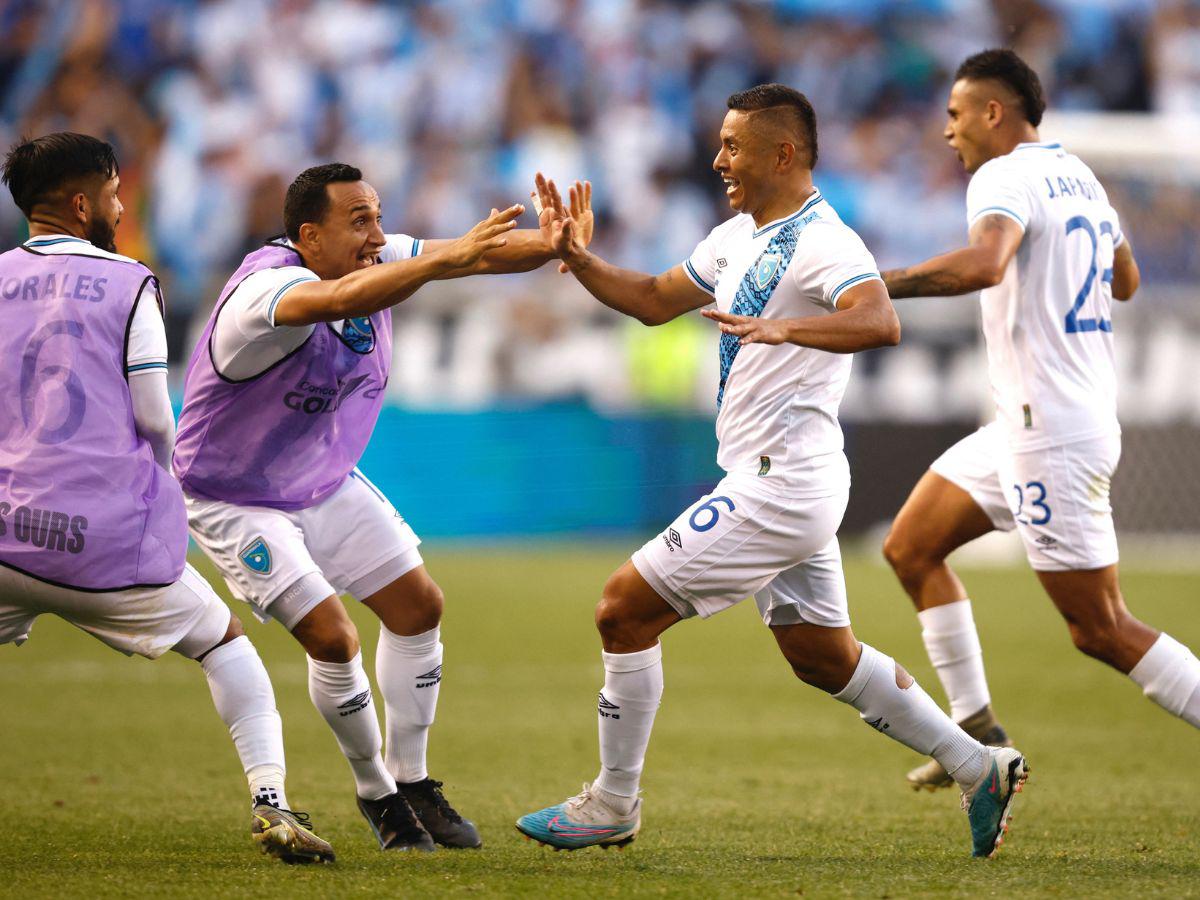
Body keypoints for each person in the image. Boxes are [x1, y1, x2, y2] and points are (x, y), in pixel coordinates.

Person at [515, 85, 1027, 860]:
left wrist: (789, 325)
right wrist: (579, 260)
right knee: (823, 657)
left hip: (780, 484)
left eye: (732, 146)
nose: (719, 159)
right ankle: (976, 764)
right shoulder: (735, 237)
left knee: (622, 611)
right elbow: (655, 300)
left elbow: (878, 318)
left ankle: (613, 802)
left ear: (781, 154)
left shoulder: (826, 242)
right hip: (780, 479)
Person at [172, 163, 592, 851]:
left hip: (320, 478)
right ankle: (377, 793)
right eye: (358, 221)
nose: (376, 234)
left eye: (376, 217)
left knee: (418, 606)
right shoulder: (262, 292)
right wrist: (447, 258)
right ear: (308, 236)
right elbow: (336, 302)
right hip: (234, 495)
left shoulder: (365, 255)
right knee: (334, 638)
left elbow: (473, 252)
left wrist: (556, 246)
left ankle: (415, 780)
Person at [0, 132, 333, 864]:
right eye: (117, 193)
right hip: (104, 541)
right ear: (84, 201)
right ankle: (272, 800)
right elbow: (154, 416)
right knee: (224, 646)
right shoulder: (129, 283)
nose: (122, 206)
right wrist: (157, 488)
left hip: (6, 531)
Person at [879, 49, 1200, 791]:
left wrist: (876, 284)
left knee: (1102, 629)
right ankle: (980, 738)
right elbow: (1127, 279)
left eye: (956, 115)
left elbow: (987, 265)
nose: (948, 131)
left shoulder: (1003, 175)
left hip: (1050, 431)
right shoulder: (1079, 174)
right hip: (1034, 423)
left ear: (994, 113)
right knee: (911, 548)